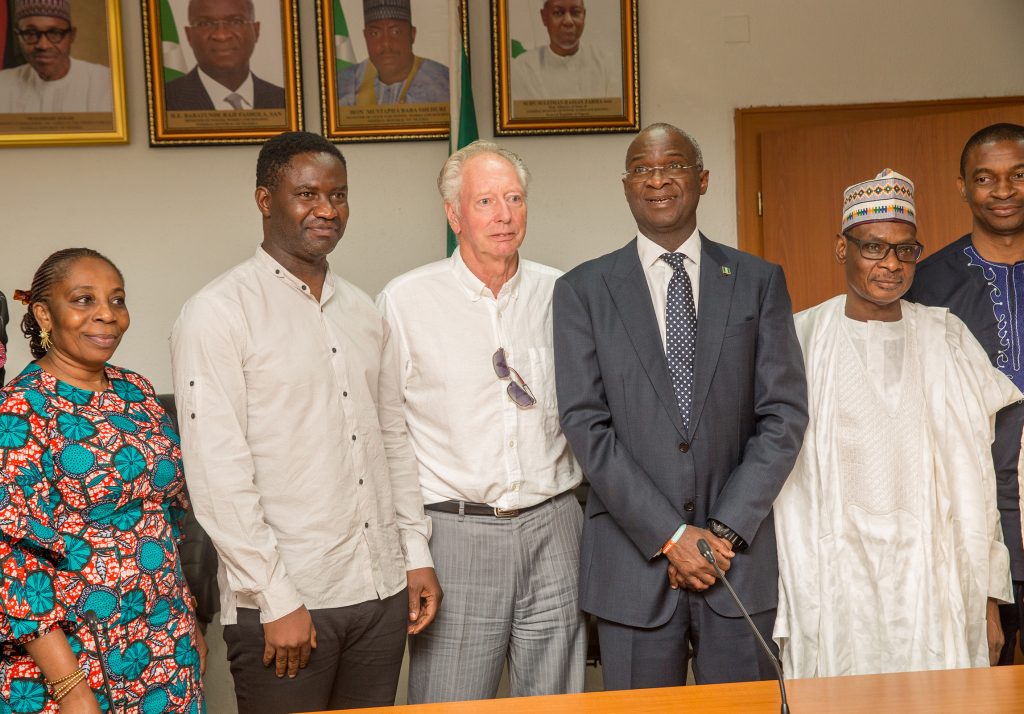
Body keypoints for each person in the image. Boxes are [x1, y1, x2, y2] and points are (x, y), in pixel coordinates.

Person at [170, 131, 440, 714]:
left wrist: (414, 554)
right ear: (265, 200)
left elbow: (392, 440)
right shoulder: (217, 314)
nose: (327, 209)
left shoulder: (365, 312)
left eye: (338, 195)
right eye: (307, 194)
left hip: (379, 590)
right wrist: (276, 597)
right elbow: (218, 473)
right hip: (287, 602)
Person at [553, 123, 808, 689]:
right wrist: (671, 536)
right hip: (631, 567)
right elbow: (585, 424)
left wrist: (721, 532)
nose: (659, 179)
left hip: (737, 562)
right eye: (643, 168)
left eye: (674, 165)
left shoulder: (758, 281)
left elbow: (783, 415)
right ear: (626, 186)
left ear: (702, 179)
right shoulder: (582, 291)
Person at [774, 169, 1018, 677]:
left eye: (906, 250)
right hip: (834, 580)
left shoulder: (944, 336)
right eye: (873, 247)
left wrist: (989, 599)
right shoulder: (800, 338)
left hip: (935, 580)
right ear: (842, 248)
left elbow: (976, 477)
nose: (891, 264)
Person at [377, 140, 585, 703]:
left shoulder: (562, 292)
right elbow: (387, 435)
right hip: (456, 533)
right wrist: (413, 552)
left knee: (557, 700)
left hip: (555, 526)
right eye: (486, 201)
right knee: (451, 700)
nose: (504, 214)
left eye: (514, 198)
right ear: (454, 214)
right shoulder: (406, 301)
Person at [0, 248, 206, 713]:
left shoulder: (136, 390)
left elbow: (169, 515)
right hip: (80, 655)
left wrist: (186, 618)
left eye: (117, 300)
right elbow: (13, 561)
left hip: (164, 637)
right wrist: (71, 686)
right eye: (83, 300)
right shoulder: (19, 410)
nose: (106, 316)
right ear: (42, 313)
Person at [906, 123, 1024, 666]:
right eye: (986, 178)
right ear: (962, 187)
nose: (1004, 190)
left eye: (1018, 175)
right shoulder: (926, 285)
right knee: (983, 682)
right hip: (975, 515)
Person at [164, 0, 285, 111]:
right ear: (189, 35)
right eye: (205, 23)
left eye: (236, 21)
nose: (221, 35)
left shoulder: (284, 101)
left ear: (256, 30)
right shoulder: (165, 101)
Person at [0, 0, 112, 113]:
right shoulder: (3, 84)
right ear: (17, 37)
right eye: (30, 33)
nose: (43, 45)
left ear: (72, 35)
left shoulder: (105, 82)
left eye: (54, 33)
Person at [337, 0, 448, 107]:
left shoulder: (445, 84)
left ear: (412, 34)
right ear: (365, 37)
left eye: (396, 32)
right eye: (375, 33)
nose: (386, 43)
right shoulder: (341, 85)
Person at [512, 0, 619, 101]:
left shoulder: (605, 63)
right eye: (558, 13)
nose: (568, 21)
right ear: (544, 17)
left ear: (584, 16)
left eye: (575, 13)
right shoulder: (523, 68)